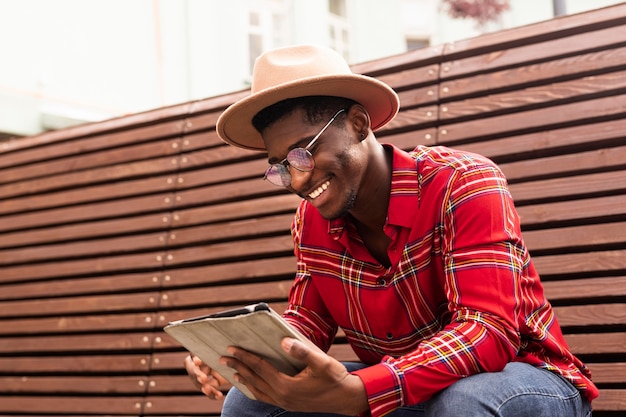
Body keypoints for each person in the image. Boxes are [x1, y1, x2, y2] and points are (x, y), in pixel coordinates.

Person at [183, 44, 597, 417]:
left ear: (359, 124)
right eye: (281, 165)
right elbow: (307, 324)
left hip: (524, 382)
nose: (296, 180)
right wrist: (243, 357)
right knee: (250, 403)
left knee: (463, 402)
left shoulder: (463, 183)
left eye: (304, 153)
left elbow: (487, 332)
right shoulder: (311, 223)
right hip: (402, 395)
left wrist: (361, 390)